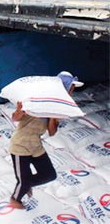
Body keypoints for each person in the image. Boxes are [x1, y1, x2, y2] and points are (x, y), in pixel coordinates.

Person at [9, 71, 84, 209]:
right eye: (71, 88)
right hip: (20, 145)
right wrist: (19, 112)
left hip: (36, 145)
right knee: (23, 181)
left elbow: (52, 132)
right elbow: (15, 118)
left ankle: (25, 184)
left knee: (49, 174)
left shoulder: (59, 107)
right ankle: (15, 199)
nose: (71, 91)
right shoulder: (35, 99)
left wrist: (53, 116)